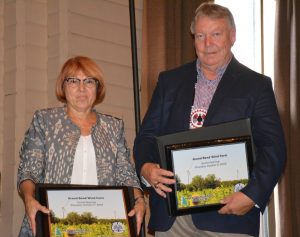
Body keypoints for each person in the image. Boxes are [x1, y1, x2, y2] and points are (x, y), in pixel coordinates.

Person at [133, 2, 286, 237]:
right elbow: (146, 137)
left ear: (232, 36)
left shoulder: (256, 86)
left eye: (216, 34)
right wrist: (146, 169)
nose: (208, 44)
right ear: (193, 38)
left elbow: (274, 150)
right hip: (172, 219)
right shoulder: (169, 82)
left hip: (229, 215)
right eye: (201, 35)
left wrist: (252, 195)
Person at [17, 56, 146, 237]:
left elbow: (126, 174)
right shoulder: (45, 121)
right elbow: (29, 170)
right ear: (63, 86)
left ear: (97, 88)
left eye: (89, 81)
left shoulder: (113, 127)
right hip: (52, 224)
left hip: (102, 227)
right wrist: (29, 199)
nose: (82, 88)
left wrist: (139, 200)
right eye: (73, 81)